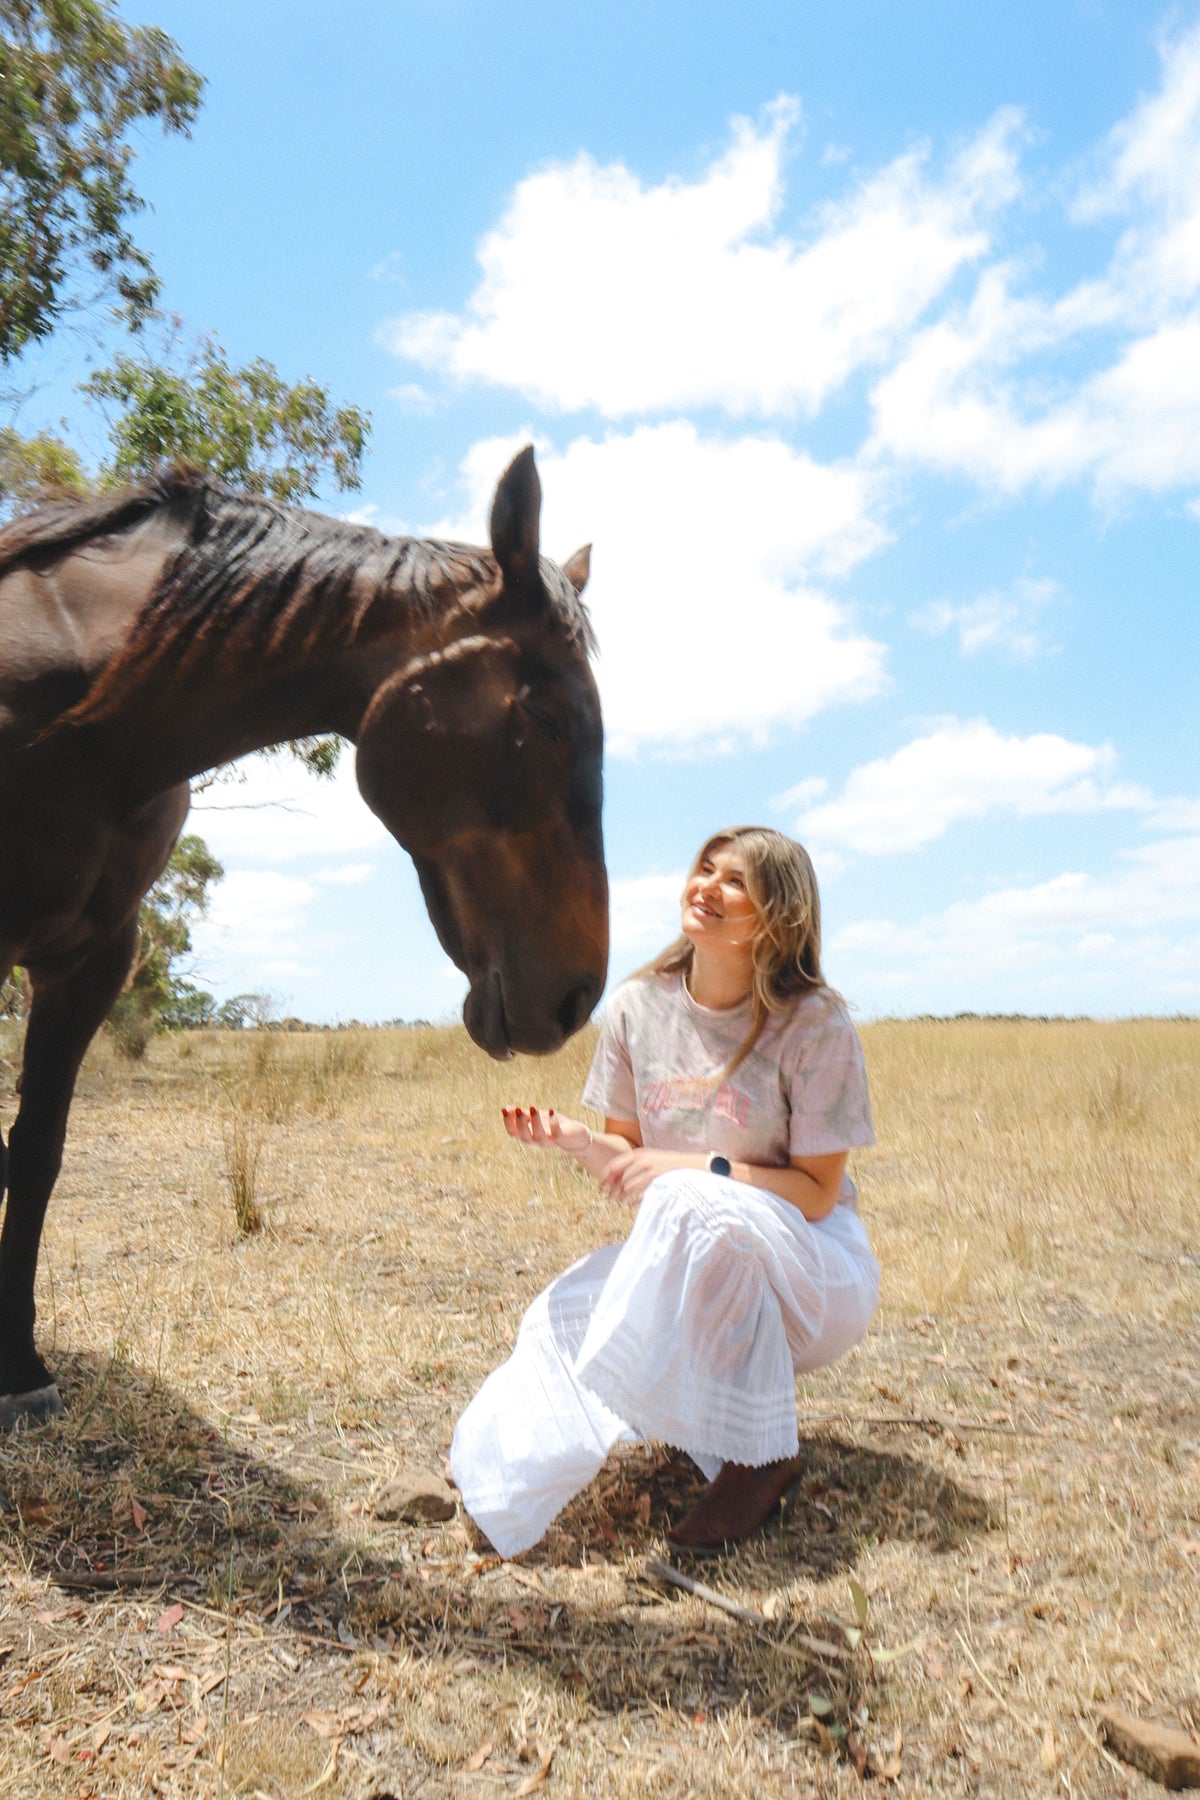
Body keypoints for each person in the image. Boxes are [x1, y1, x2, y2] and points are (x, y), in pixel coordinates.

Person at [450, 826, 879, 1555]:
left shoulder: (814, 1023)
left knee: (688, 1204)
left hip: (812, 1278)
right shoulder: (637, 1010)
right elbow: (633, 1160)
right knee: (564, 1311)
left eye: (735, 880)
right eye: (703, 869)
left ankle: (758, 1457)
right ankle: (500, 1488)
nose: (705, 887)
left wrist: (694, 1170)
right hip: (692, 1259)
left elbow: (814, 1194)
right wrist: (581, 1143)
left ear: (782, 912)